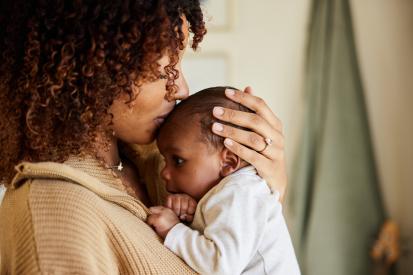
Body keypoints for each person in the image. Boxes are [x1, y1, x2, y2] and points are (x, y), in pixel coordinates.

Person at [0, 0, 288, 273]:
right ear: (91, 68)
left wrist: (261, 191)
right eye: (163, 72)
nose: (181, 89)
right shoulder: (54, 217)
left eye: (180, 65)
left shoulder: (158, 159)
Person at [148, 87, 301, 275]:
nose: (164, 173)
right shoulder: (233, 191)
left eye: (178, 161)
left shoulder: (239, 192)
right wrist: (195, 216)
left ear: (228, 162)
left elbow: (221, 265)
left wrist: (174, 230)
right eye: (165, 160)